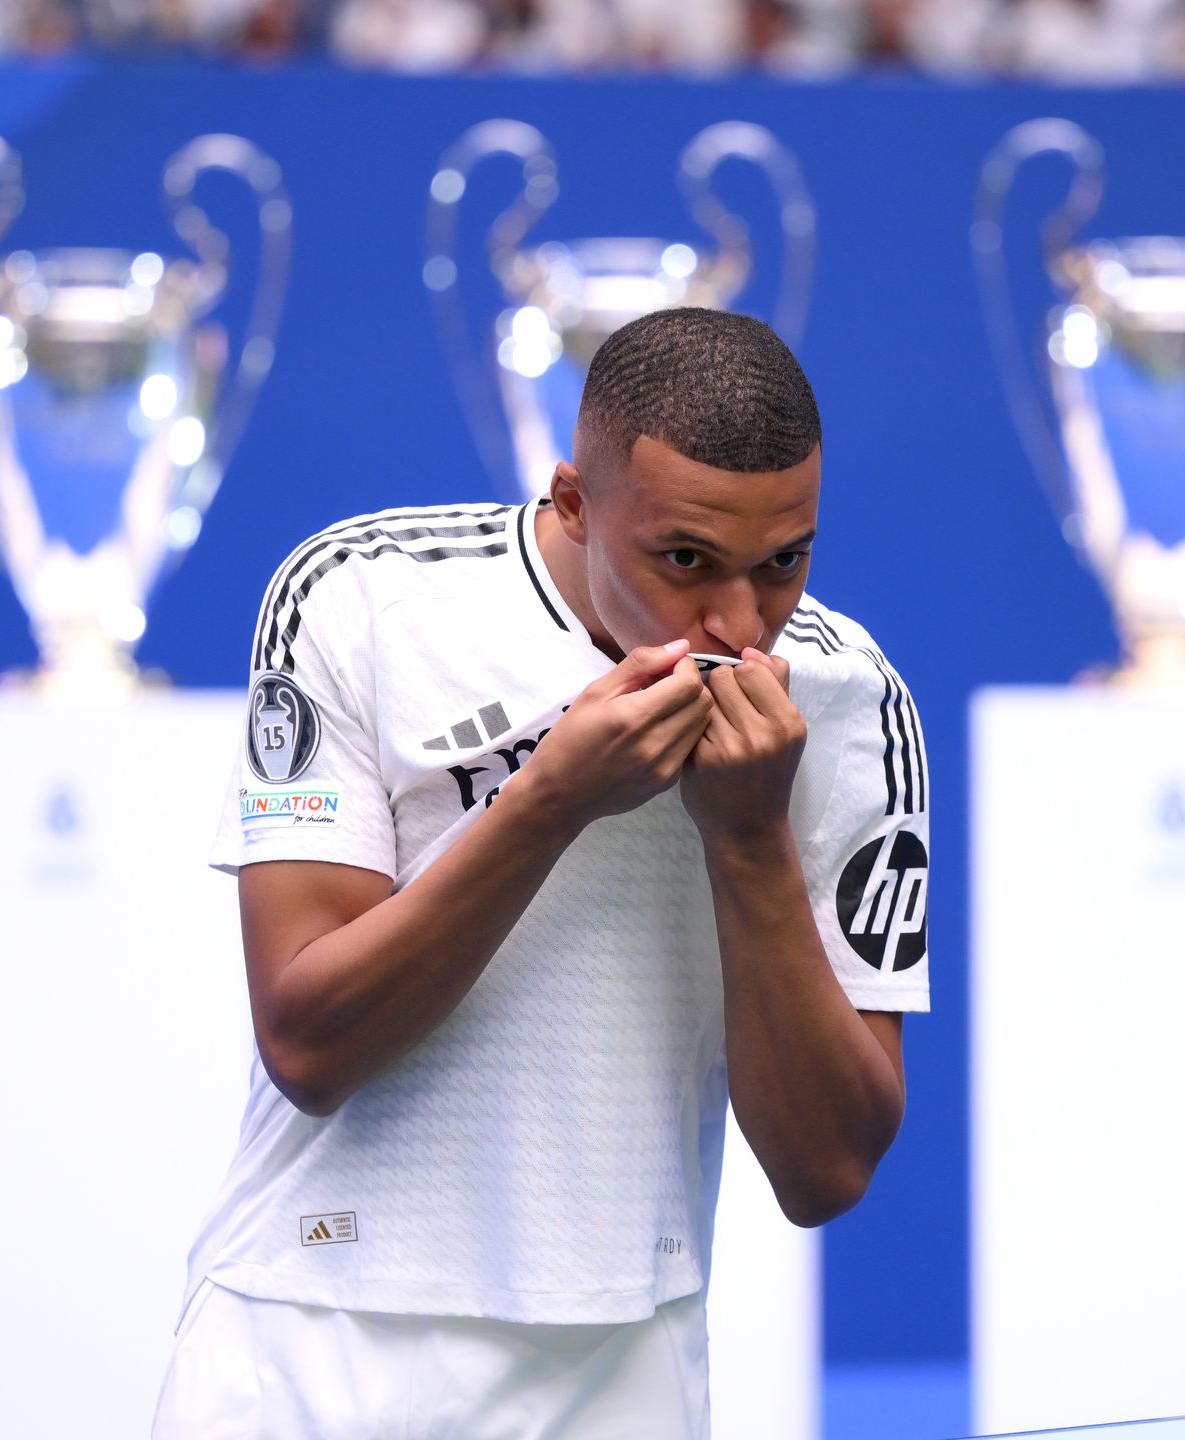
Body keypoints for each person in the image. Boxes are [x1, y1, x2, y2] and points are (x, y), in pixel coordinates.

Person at [152, 308, 930, 1438]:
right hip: (309, 1334)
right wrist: (550, 803)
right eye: (684, 561)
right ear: (572, 501)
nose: (737, 624)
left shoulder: (851, 696)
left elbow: (827, 1174)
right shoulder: (360, 594)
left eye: (783, 564)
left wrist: (750, 839)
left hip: (624, 1360)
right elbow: (308, 1045)